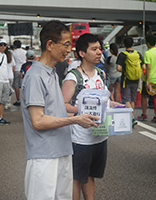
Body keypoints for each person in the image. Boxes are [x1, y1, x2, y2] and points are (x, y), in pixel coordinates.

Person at [21, 20, 99, 200]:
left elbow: (55, 112)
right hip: (44, 156)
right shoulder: (35, 76)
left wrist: (82, 115)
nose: (69, 49)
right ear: (50, 45)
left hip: (62, 150)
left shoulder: (52, 72)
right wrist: (75, 120)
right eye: (65, 44)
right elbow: (38, 121)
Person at [61, 33, 120, 200]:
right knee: (76, 177)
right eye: (94, 49)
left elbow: (105, 100)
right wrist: (81, 112)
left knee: (90, 175)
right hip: (80, 139)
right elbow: (62, 105)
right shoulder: (74, 77)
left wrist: (115, 106)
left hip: (100, 136)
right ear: (81, 53)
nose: (99, 52)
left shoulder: (101, 74)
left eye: (100, 48)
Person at [117, 36, 145, 126]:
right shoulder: (138, 54)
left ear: (124, 45)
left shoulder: (122, 55)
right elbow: (143, 67)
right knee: (132, 99)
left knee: (126, 99)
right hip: (136, 80)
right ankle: (131, 116)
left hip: (126, 80)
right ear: (133, 44)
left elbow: (118, 68)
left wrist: (126, 71)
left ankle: (132, 117)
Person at [138, 34, 156, 123]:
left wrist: (147, 80)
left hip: (150, 79)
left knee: (144, 97)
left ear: (148, 43)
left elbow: (148, 67)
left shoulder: (148, 53)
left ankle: (144, 114)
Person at [12, 40, 27, 106]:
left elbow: (13, 63)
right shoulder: (25, 52)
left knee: (16, 86)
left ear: (15, 46)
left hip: (17, 69)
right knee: (24, 86)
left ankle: (18, 100)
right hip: (24, 69)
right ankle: (25, 100)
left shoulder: (13, 52)